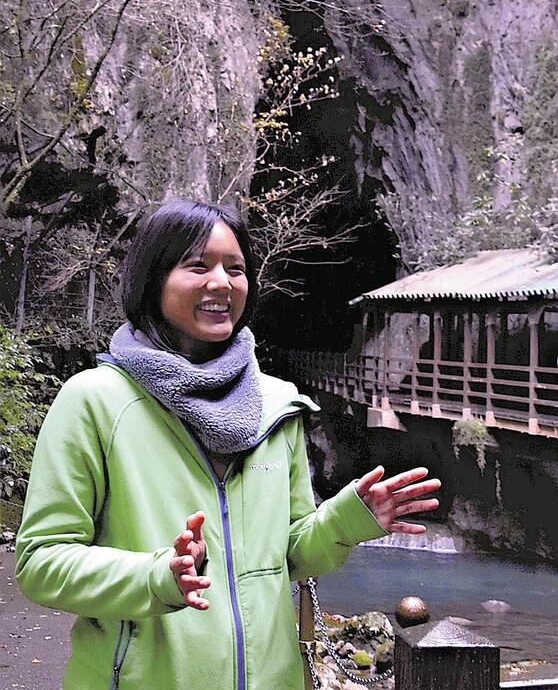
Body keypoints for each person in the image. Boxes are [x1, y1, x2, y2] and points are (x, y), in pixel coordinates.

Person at [16, 199, 441, 690]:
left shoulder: (276, 404)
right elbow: (41, 561)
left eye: (235, 269)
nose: (222, 282)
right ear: (152, 281)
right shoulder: (97, 401)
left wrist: (347, 519)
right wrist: (157, 576)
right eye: (197, 265)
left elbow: (290, 554)